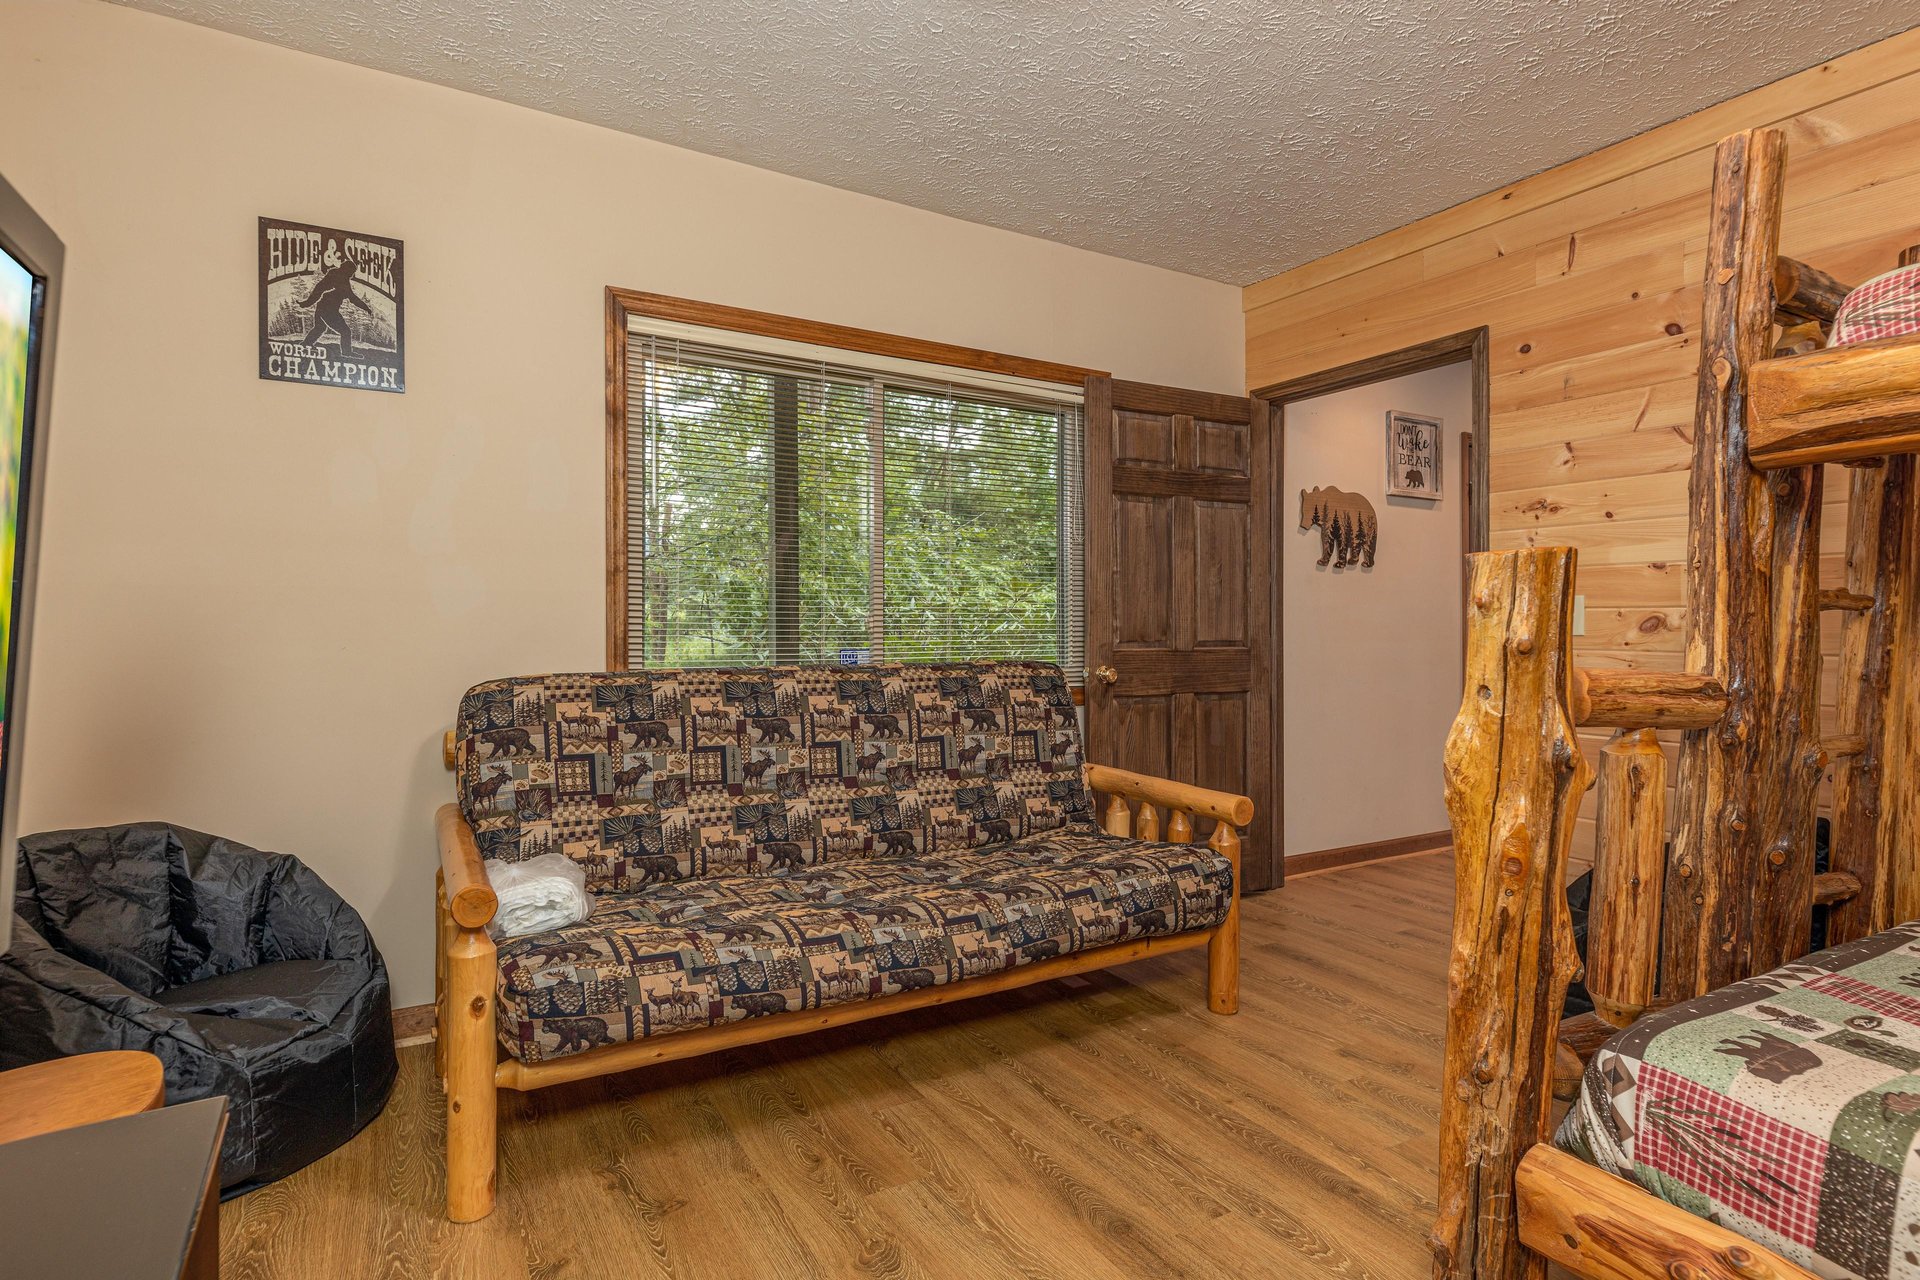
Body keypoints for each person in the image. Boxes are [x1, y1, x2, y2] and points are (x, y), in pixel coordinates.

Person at [300, 239, 373, 357]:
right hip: (329, 311)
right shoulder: (342, 281)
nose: (352, 275)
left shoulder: (335, 276)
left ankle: (305, 345)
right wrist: (366, 308)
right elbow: (353, 298)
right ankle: (347, 353)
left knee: (320, 328)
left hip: (321, 307)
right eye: (352, 272)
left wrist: (307, 303)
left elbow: (319, 289)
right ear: (347, 271)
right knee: (345, 331)